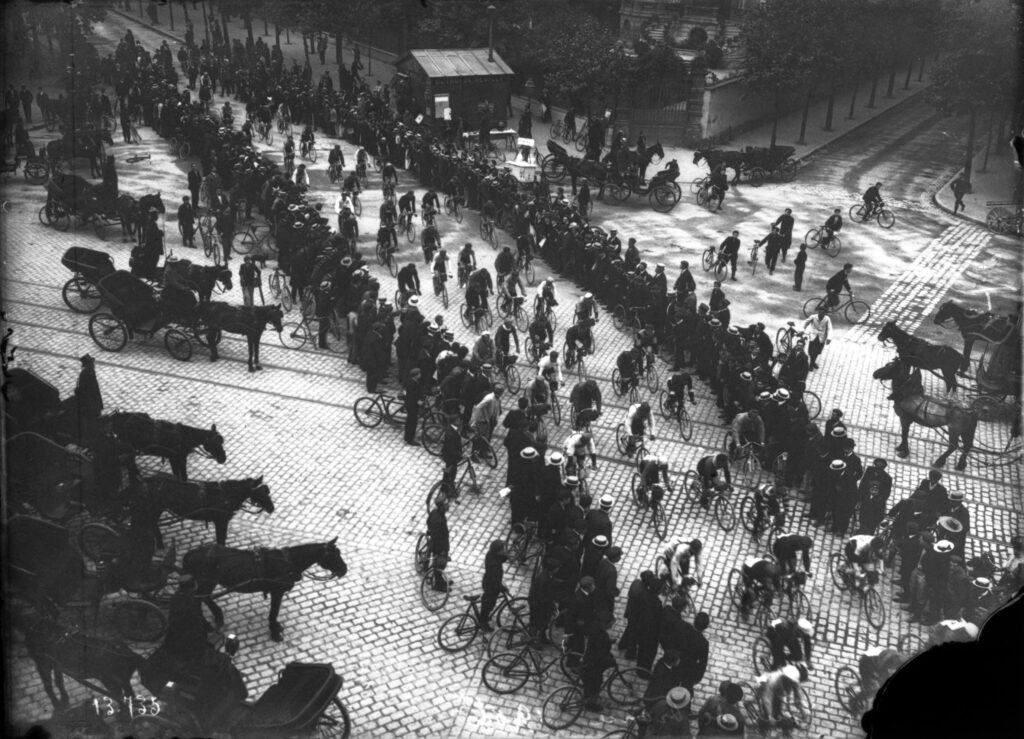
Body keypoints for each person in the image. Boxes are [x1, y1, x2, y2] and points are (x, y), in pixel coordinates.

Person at [477, 540, 509, 631]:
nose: (504, 550)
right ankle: (483, 623)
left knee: (487, 601)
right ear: (497, 551)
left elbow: (502, 559)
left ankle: (483, 616)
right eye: (502, 549)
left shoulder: (491, 554)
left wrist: (505, 555)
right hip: (491, 586)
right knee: (488, 604)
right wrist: (503, 588)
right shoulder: (494, 565)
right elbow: (495, 583)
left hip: (488, 582)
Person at [739, 555, 781, 619]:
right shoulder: (754, 570)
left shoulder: (773, 570)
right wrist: (753, 597)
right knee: (749, 591)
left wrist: (778, 589)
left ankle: (767, 603)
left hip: (761, 571)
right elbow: (749, 586)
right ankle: (744, 608)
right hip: (748, 569)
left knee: (769, 587)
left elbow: (776, 581)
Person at [424, 490, 451, 589]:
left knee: (440, 562)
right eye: (446, 505)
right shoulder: (440, 521)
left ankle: (439, 579)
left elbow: (428, 522)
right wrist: (442, 550)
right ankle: (438, 583)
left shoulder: (434, 512)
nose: (448, 506)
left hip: (436, 541)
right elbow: (438, 537)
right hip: (440, 546)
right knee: (440, 564)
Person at [802, 306, 831, 371]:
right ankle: (812, 363)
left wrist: (829, 338)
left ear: (825, 313)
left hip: (821, 337)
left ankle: (812, 363)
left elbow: (829, 328)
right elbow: (806, 322)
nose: (820, 313)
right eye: (819, 312)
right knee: (811, 351)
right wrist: (803, 329)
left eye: (822, 312)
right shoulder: (813, 317)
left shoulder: (827, 319)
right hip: (813, 336)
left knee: (817, 351)